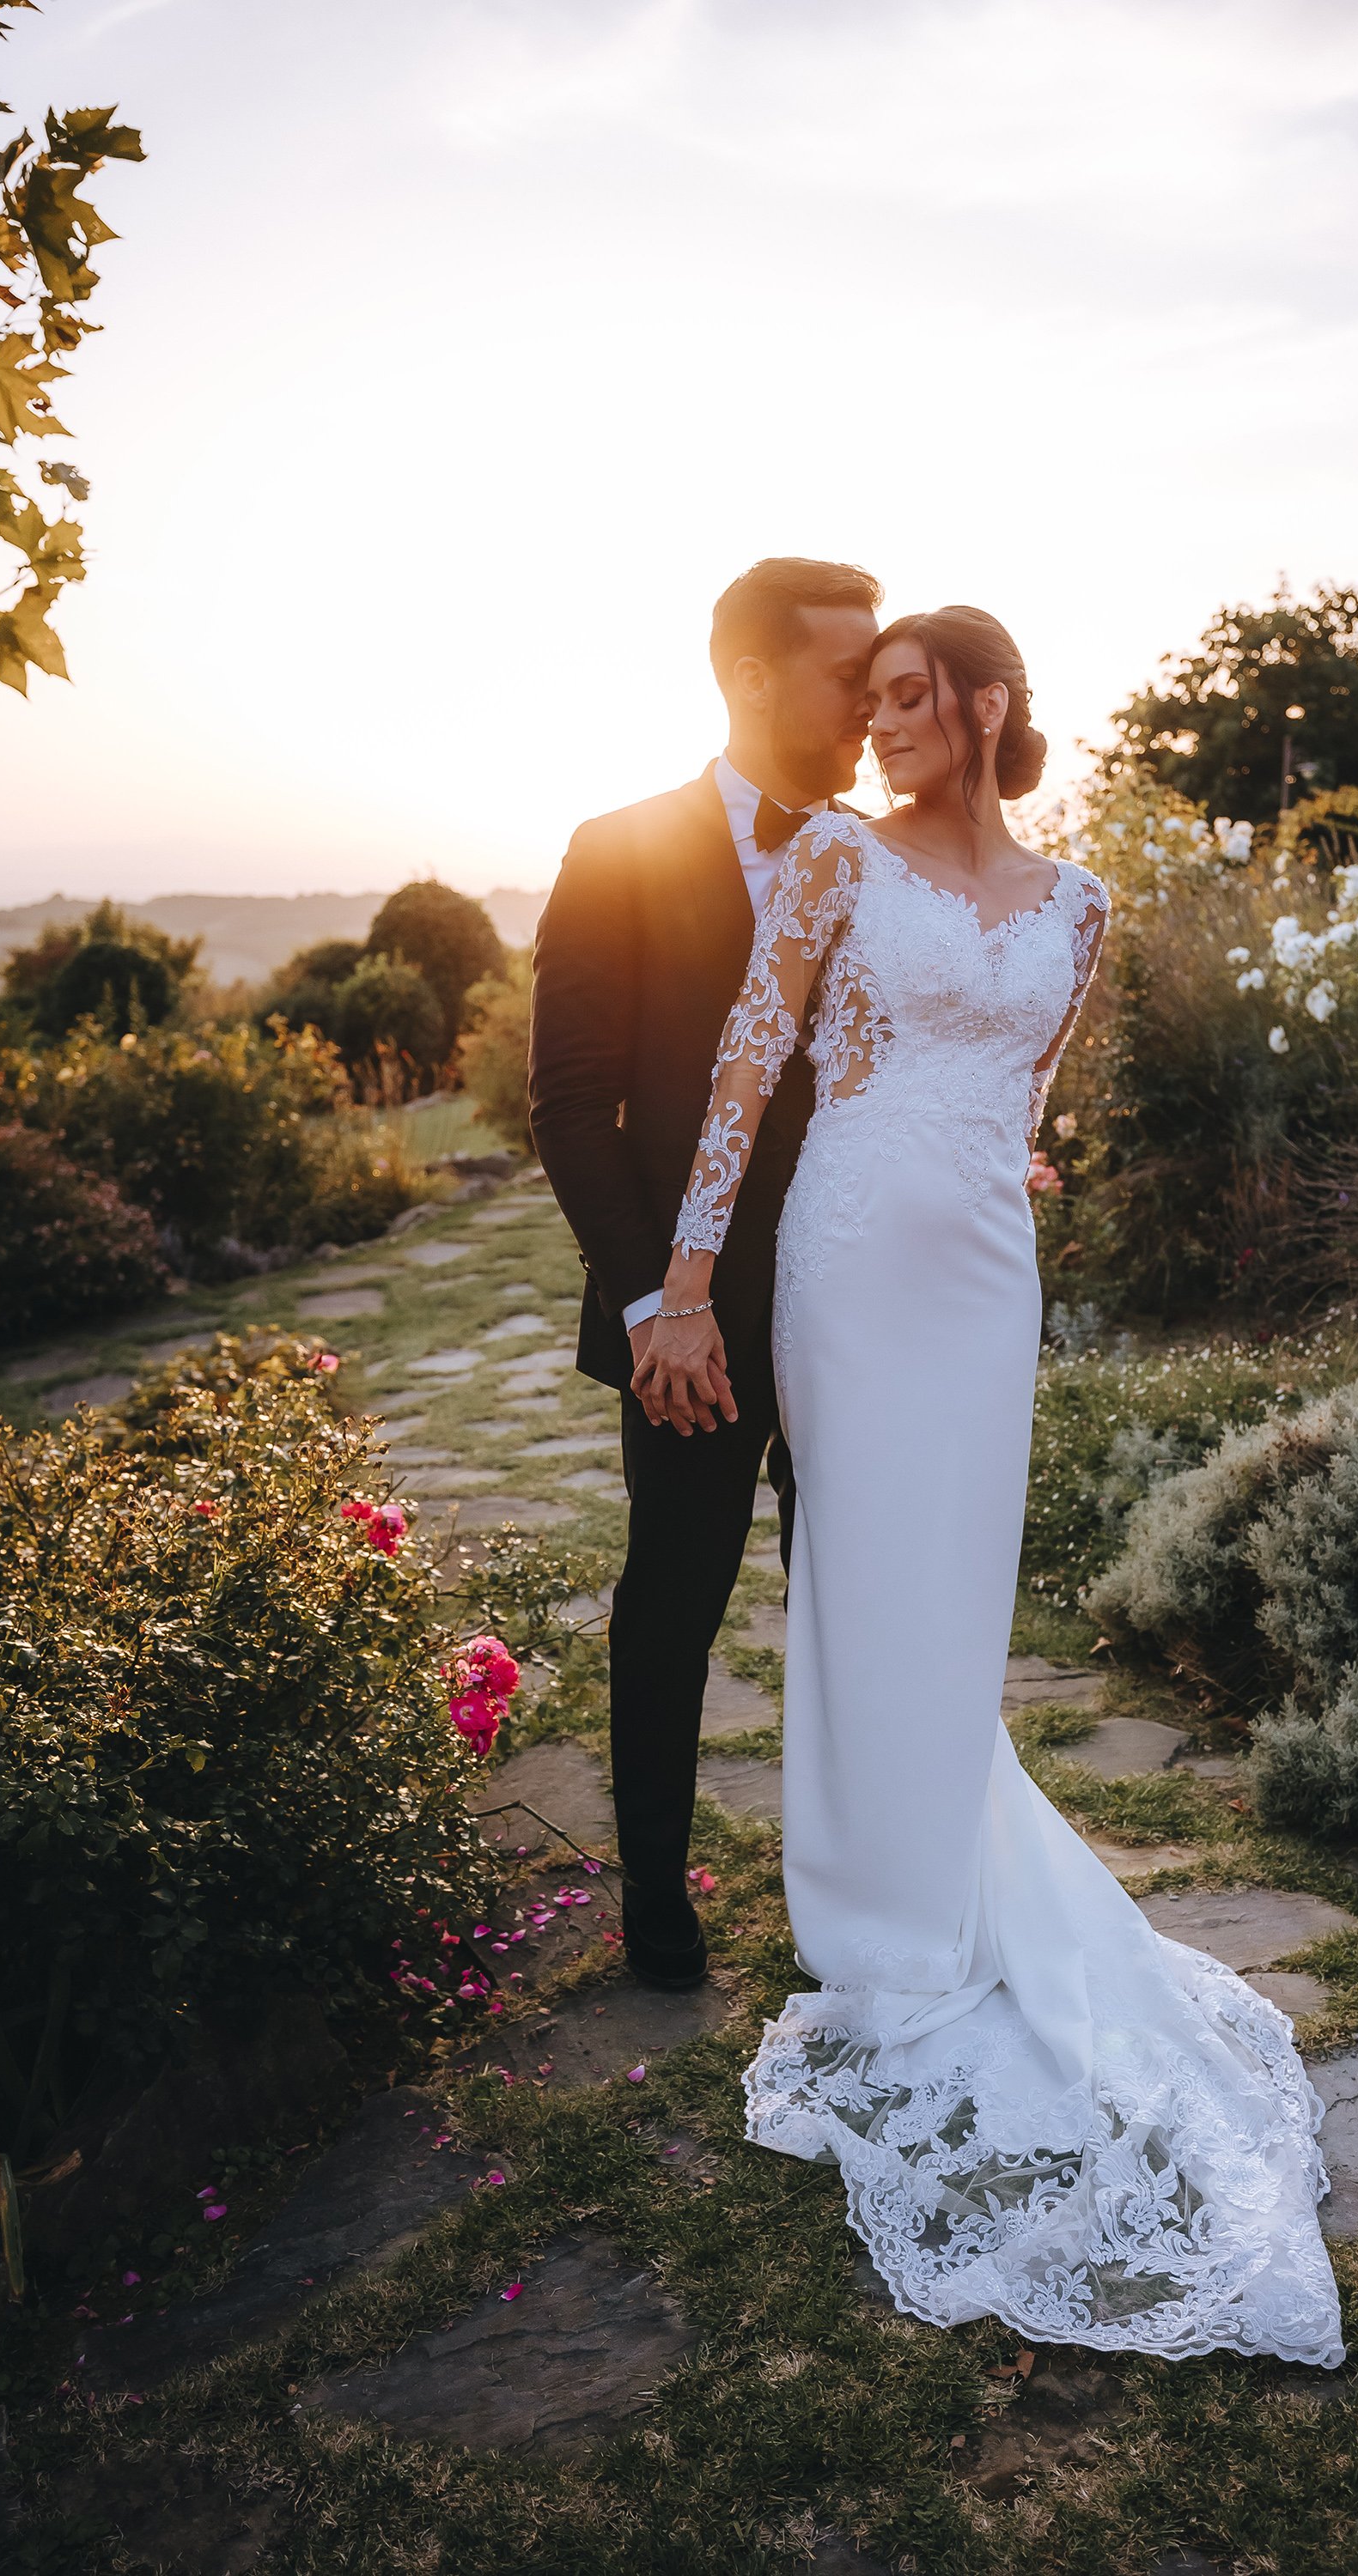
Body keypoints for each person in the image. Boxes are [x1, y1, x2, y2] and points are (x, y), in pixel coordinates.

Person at [632, 605, 1345, 2361]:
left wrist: (991, 1177)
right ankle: (883, 1919)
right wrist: (687, 1283)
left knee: (956, 1583)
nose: (876, 727)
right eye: (866, 701)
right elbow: (747, 1067)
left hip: (976, 1266)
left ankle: (944, 1867)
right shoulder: (826, 862)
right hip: (854, 1250)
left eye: (903, 698)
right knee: (865, 1569)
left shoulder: (1081, 904)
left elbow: (1025, 1094)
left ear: (984, 702)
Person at [528, 556, 881, 1990]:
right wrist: (645, 1306)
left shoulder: (876, 857)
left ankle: (856, 1888)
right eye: (848, 676)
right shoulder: (615, 848)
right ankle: (659, 1904)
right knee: (673, 1595)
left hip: (860, 1300)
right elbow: (569, 1104)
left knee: (852, 1597)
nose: (871, 702)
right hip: (690, 1324)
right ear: (749, 676)